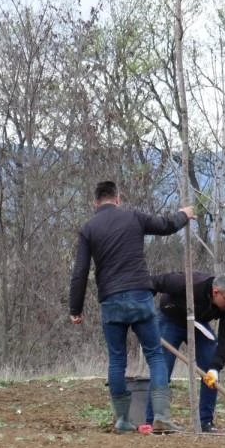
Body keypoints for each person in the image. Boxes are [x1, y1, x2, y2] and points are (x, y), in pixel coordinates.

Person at [68, 180, 194, 433]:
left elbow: (80, 272)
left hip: (111, 300)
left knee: (116, 361)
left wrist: (75, 308)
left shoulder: (88, 228)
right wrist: (184, 215)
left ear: (95, 202)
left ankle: (123, 421)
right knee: (155, 356)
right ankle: (161, 416)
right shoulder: (133, 217)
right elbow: (166, 225)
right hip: (139, 296)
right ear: (117, 198)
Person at [144, 271, 225, 432]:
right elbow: (152, 282)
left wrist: (216, 368)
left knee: (209, 365)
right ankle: (153, 421)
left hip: (198, 324)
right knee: (162, 369)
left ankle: (205, 423)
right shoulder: (187, 283)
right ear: (216, 292)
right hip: (170, 319)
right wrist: (143, 308)